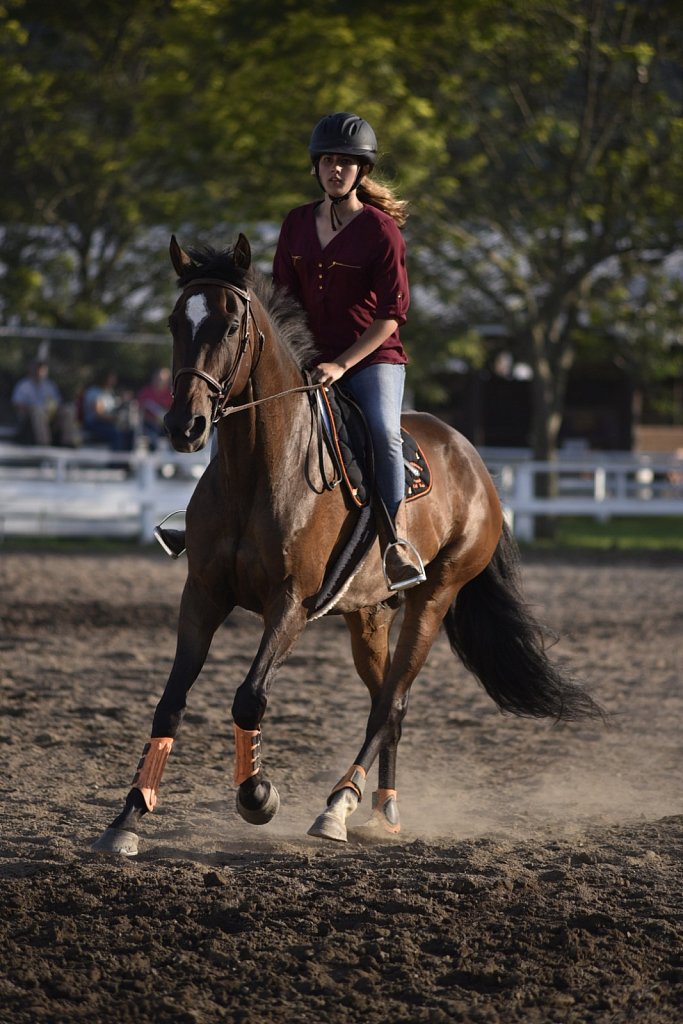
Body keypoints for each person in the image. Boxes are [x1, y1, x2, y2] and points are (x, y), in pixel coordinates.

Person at [156, 112, 425, 590]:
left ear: (361, 171)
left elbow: (391, 316)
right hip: (304, 356)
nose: (335, 170)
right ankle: (209, 521)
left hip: (370, 360)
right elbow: (280, 301)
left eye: (345, 162)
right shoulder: (297, 223)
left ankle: (395, 541)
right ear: (316, 168)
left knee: (383, 433)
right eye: (327, 161)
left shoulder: (382, 231)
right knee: (234, 413)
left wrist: (341, 364)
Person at [11, 358, 78, 447]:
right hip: (29, 419)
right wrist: (33, 408)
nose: (40, 371)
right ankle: (44, 443)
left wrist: (53, 409)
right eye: (37, 368)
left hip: (49, 416)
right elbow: (17, 405)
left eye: (42, 368)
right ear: (31, 369)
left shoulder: (50, 385)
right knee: (38, 411)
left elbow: (56, 402)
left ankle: (67, 442)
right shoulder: (23, 385)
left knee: (69, 409)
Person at [81, 370, 136, 451]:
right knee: (115, 434)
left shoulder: (110, 393)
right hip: (93, 424)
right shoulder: (94, 391)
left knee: (130, 433)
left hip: (108, 424)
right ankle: (115, 462)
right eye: (111, 378)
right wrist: (115, 418)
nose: (114, 381)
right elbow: (98, 414)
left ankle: (125, 461)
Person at [137, 367, 172, 449]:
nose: (159, 381)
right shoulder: (145, 392)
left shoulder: (170, 395)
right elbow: (139, 411)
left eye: (163, 379)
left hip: (165, 426)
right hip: (148, 425)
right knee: (153, 439)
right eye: (158, 378)